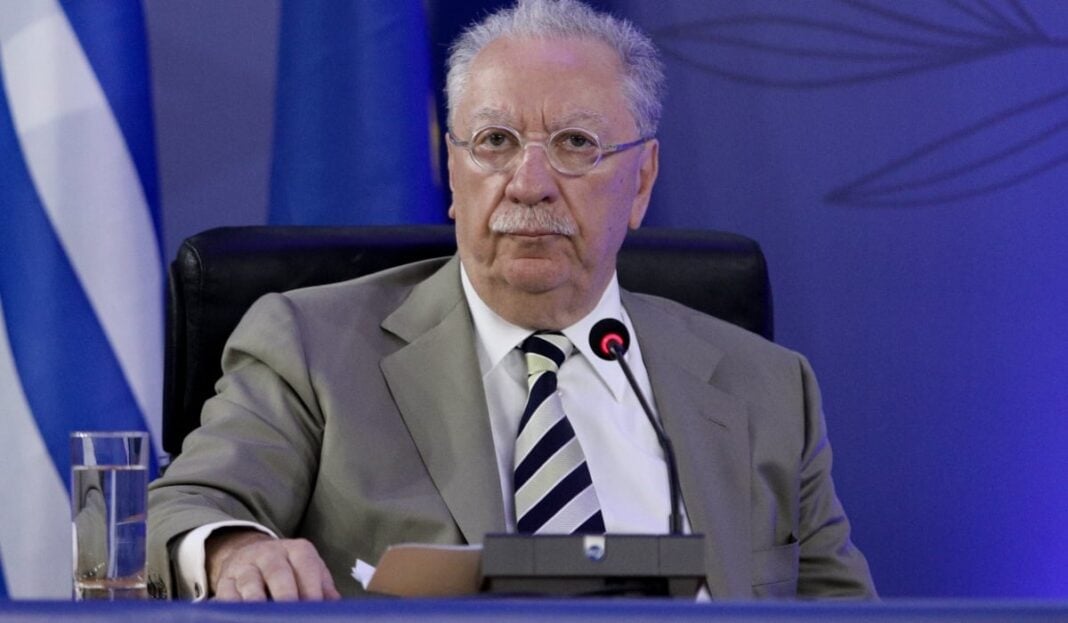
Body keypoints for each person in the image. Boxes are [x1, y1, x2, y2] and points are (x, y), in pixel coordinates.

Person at [148, 0, 876, 601]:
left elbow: (843, 611)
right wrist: (235, 549)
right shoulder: (312, 349)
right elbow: (180, 508)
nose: (529, 183)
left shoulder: (766, 390)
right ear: (453, 169)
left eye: (576, 144)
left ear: (642, 181)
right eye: (495, 141)